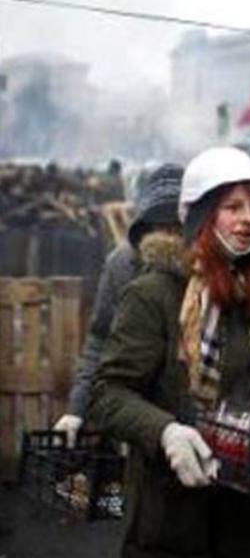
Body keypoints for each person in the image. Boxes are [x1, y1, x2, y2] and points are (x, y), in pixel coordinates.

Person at [88, 146, 250, 558]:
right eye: (233, 207)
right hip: (176, 513)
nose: (248, 219)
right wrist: (165, 431)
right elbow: (108, 393)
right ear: (204, 216)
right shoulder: (153, 294)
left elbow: (248, 381)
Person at [54, 163, 184, 447]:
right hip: (132, 413)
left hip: (189, 416)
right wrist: (76, 410)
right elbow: (100, 339)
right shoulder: (122, 264)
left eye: (176, 225)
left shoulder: (207, 266)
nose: (169, 235)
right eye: (161, 225)